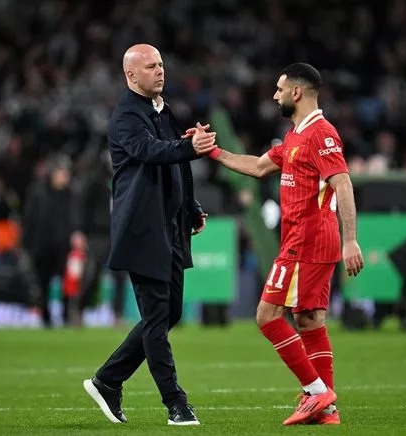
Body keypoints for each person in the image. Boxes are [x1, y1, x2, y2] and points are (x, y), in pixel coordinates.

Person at [191, 63, 364, 426]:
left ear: (297, 93)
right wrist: (214, 152)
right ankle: (328, 412)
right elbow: (255, 166)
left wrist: (351, 240)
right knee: (309, 320)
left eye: (279, 89)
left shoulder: (321, 134)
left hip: (309, 241)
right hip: (304, 240)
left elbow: (343, 184)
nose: (274, 95)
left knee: (267, 316)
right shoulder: (295, 136)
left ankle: (317, 393)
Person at [82, 44, 216, 426]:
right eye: (151, 66)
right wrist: (188, 146)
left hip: (169, 226)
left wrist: (190, 207)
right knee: (158, 319)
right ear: (131, 75)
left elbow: (176, 165)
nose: (160, 71)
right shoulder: (125, 116)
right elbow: (152, 151)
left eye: (161, 64)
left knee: (168, 313)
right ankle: (176, 404)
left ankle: (108, 379)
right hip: (143, 230)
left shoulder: (161, 109)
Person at [22, 154, 78, 327]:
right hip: (42, 247)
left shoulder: (71, 194)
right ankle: (45, 317)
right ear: (53, 173)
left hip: (64, 247)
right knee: (43, 283)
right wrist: (28, 246)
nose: (65, 176)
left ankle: (66, 314)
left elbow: (75, 219)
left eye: (66, 172)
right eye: (62, 172)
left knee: (67, 284)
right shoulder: (38, 191)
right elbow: (29, 219)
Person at [76, 150, 128, 327]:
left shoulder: (126, 177)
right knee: (91, 274)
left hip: (119, 233)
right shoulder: (95, 180)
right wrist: (80, 231)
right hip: (99, 233)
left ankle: (118, 314)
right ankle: (79, 309)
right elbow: (83, 206)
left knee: (120, 276)